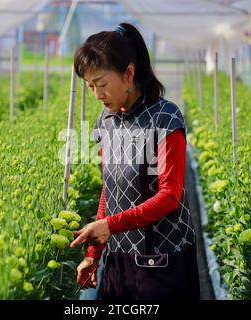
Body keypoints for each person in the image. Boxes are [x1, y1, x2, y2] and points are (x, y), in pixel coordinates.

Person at [70, 22, 200, 300]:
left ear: (129, 74)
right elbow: (110, 187)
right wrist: (94, 254)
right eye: (90, 86)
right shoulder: (107, 121)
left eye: (102, 83)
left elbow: (169, 196)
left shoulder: (165, 119)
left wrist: (109, 226)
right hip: (119, 258)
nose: (97, 94)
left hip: (163, 263)